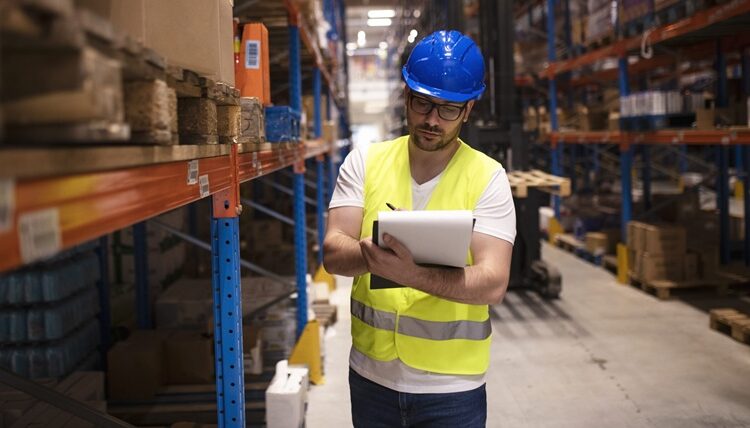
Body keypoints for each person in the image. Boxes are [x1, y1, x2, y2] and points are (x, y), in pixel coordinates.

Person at [323, 30, 516, 427]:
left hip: (450, 389)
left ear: (469, 109)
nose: (431, 120)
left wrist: (410, 274)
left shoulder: (488, 178)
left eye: (447, 109)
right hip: (371, 377)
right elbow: (332, 253)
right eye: (422, 103)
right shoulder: (365, 162)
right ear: (406, 96)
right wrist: (371, 256)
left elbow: (493, 282)